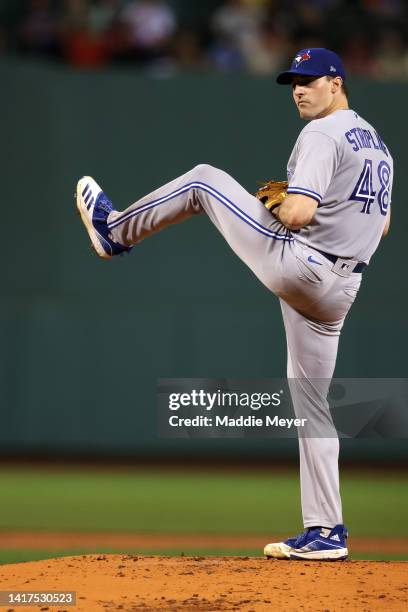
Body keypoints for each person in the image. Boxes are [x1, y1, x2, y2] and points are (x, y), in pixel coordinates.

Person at [76, 48, 393, 561]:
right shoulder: (378, 145)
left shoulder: (323, 133)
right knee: (312, 406)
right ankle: (326, 532)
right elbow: (381, 224)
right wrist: (304, 205)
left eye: (310, 80)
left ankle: (114, 232)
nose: (299, 89)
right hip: (341, 291)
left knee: (203, 180)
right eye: (294, 81)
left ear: (336, 83)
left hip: (303, 267)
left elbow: (296, 215)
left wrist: (285, 200)